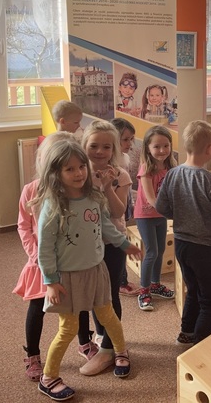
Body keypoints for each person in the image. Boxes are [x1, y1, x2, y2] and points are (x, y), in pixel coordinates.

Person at [33, 137, 142, 401]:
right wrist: (50, 281)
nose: (79, 173)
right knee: (67, 330)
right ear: (56, 173)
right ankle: (48, 378)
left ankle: (120, 351)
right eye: (69, 169)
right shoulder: (53, 205)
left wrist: (124, 244)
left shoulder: (93, 197)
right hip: (67, 279)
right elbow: (44, 248)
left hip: (96, 270)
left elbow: (105, 225)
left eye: (81, 166)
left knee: (108, 317)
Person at [14, 132, 100, 381]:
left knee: (78, 304)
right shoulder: (31, 190)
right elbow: (23, 226)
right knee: (37, 308)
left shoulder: (74, 190)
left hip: (71, 261)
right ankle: (32, 355)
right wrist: (35, 255)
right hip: (41, 263)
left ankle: (84, 342)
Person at [155, 120, 211, 346]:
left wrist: (179, 214)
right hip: (205, 248)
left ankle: (187, 333)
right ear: (210, 149)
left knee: (193, 290)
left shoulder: (172, 174)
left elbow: (161, 207)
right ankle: (202, 345)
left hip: (182, 244)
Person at [79, 120, 133, 375]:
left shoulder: (121, 175)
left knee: (110, 295)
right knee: (92, 294)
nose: (100, 151)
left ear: (114, 150)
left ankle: (113, 348)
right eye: (94, 146)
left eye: (106, 147)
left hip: (113, 243)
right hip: (85, 244)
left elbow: (118, 211)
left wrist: (107, 187)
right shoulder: (78, 173)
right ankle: (104, 337)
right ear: (84, 146)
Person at [135, 125, 177, 311]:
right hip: (145, 215)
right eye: (157, 146)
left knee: (160, 251)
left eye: (166, 146)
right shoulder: (146, 169)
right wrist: (171, 212)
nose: (162, 150)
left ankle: (155, 284)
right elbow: (151, 198)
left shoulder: (171, 168)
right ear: (148, 148)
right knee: (151, 252)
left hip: (161, 215)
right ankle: (144, 291)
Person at [111, 117, 139, 296]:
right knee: (119, 239)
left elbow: (127, 186)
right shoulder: (113, 162)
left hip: (124, 201)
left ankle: (122, 279)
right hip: (114, 208)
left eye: (131, 139)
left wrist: (131, 203)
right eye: (125, 139)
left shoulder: (125, 158)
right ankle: (121, 282)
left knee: (122, 233)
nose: (129, 143)